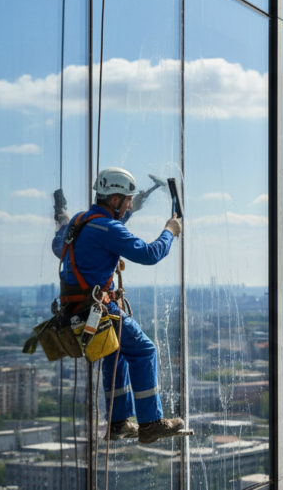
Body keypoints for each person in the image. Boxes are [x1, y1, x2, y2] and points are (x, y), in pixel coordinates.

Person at [52, 167, 184, 444]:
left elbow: (58, 246)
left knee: (117, 353)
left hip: (75, 309)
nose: (128, 206)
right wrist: (169, 231)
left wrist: (63, 218)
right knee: (145, 351)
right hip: (97, 309)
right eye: (126, 201)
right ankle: (150, 423)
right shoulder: (108, 228)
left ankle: (119, 422)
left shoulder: (79, 223)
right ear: (114, 201)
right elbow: (149, 254)